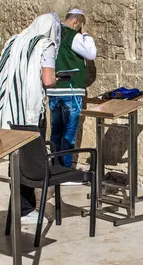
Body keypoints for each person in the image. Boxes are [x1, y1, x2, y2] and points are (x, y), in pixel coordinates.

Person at [0, 12, 61, 224]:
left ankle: (18, 204)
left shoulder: (14, 41)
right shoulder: (45, 44)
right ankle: (26, 209)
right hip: (29, 110)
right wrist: (55, 78)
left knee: (16, 158)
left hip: (9, 108)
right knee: (31, 159)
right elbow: (47, 80)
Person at [46, 9, 97, 169]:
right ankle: (66, 169)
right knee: (69, 133)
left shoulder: (53, 35)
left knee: (56, 131)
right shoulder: (73, 35)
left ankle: (55, 165)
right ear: (76, 22)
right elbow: (91, 53)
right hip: (70, 90)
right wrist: (86, 35)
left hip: (54, 91)